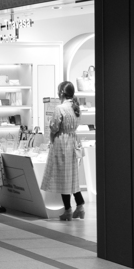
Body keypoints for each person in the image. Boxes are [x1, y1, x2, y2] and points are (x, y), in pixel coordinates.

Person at [42, 81, 85, 221]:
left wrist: (51, 130)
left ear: (61, 93)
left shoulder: (60, 108)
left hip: (61, 143)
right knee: (72, 177)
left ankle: (68, 210)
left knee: (63, 178)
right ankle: (80, 206)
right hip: (72, 141)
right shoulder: (76, 107)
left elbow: (54, 127)